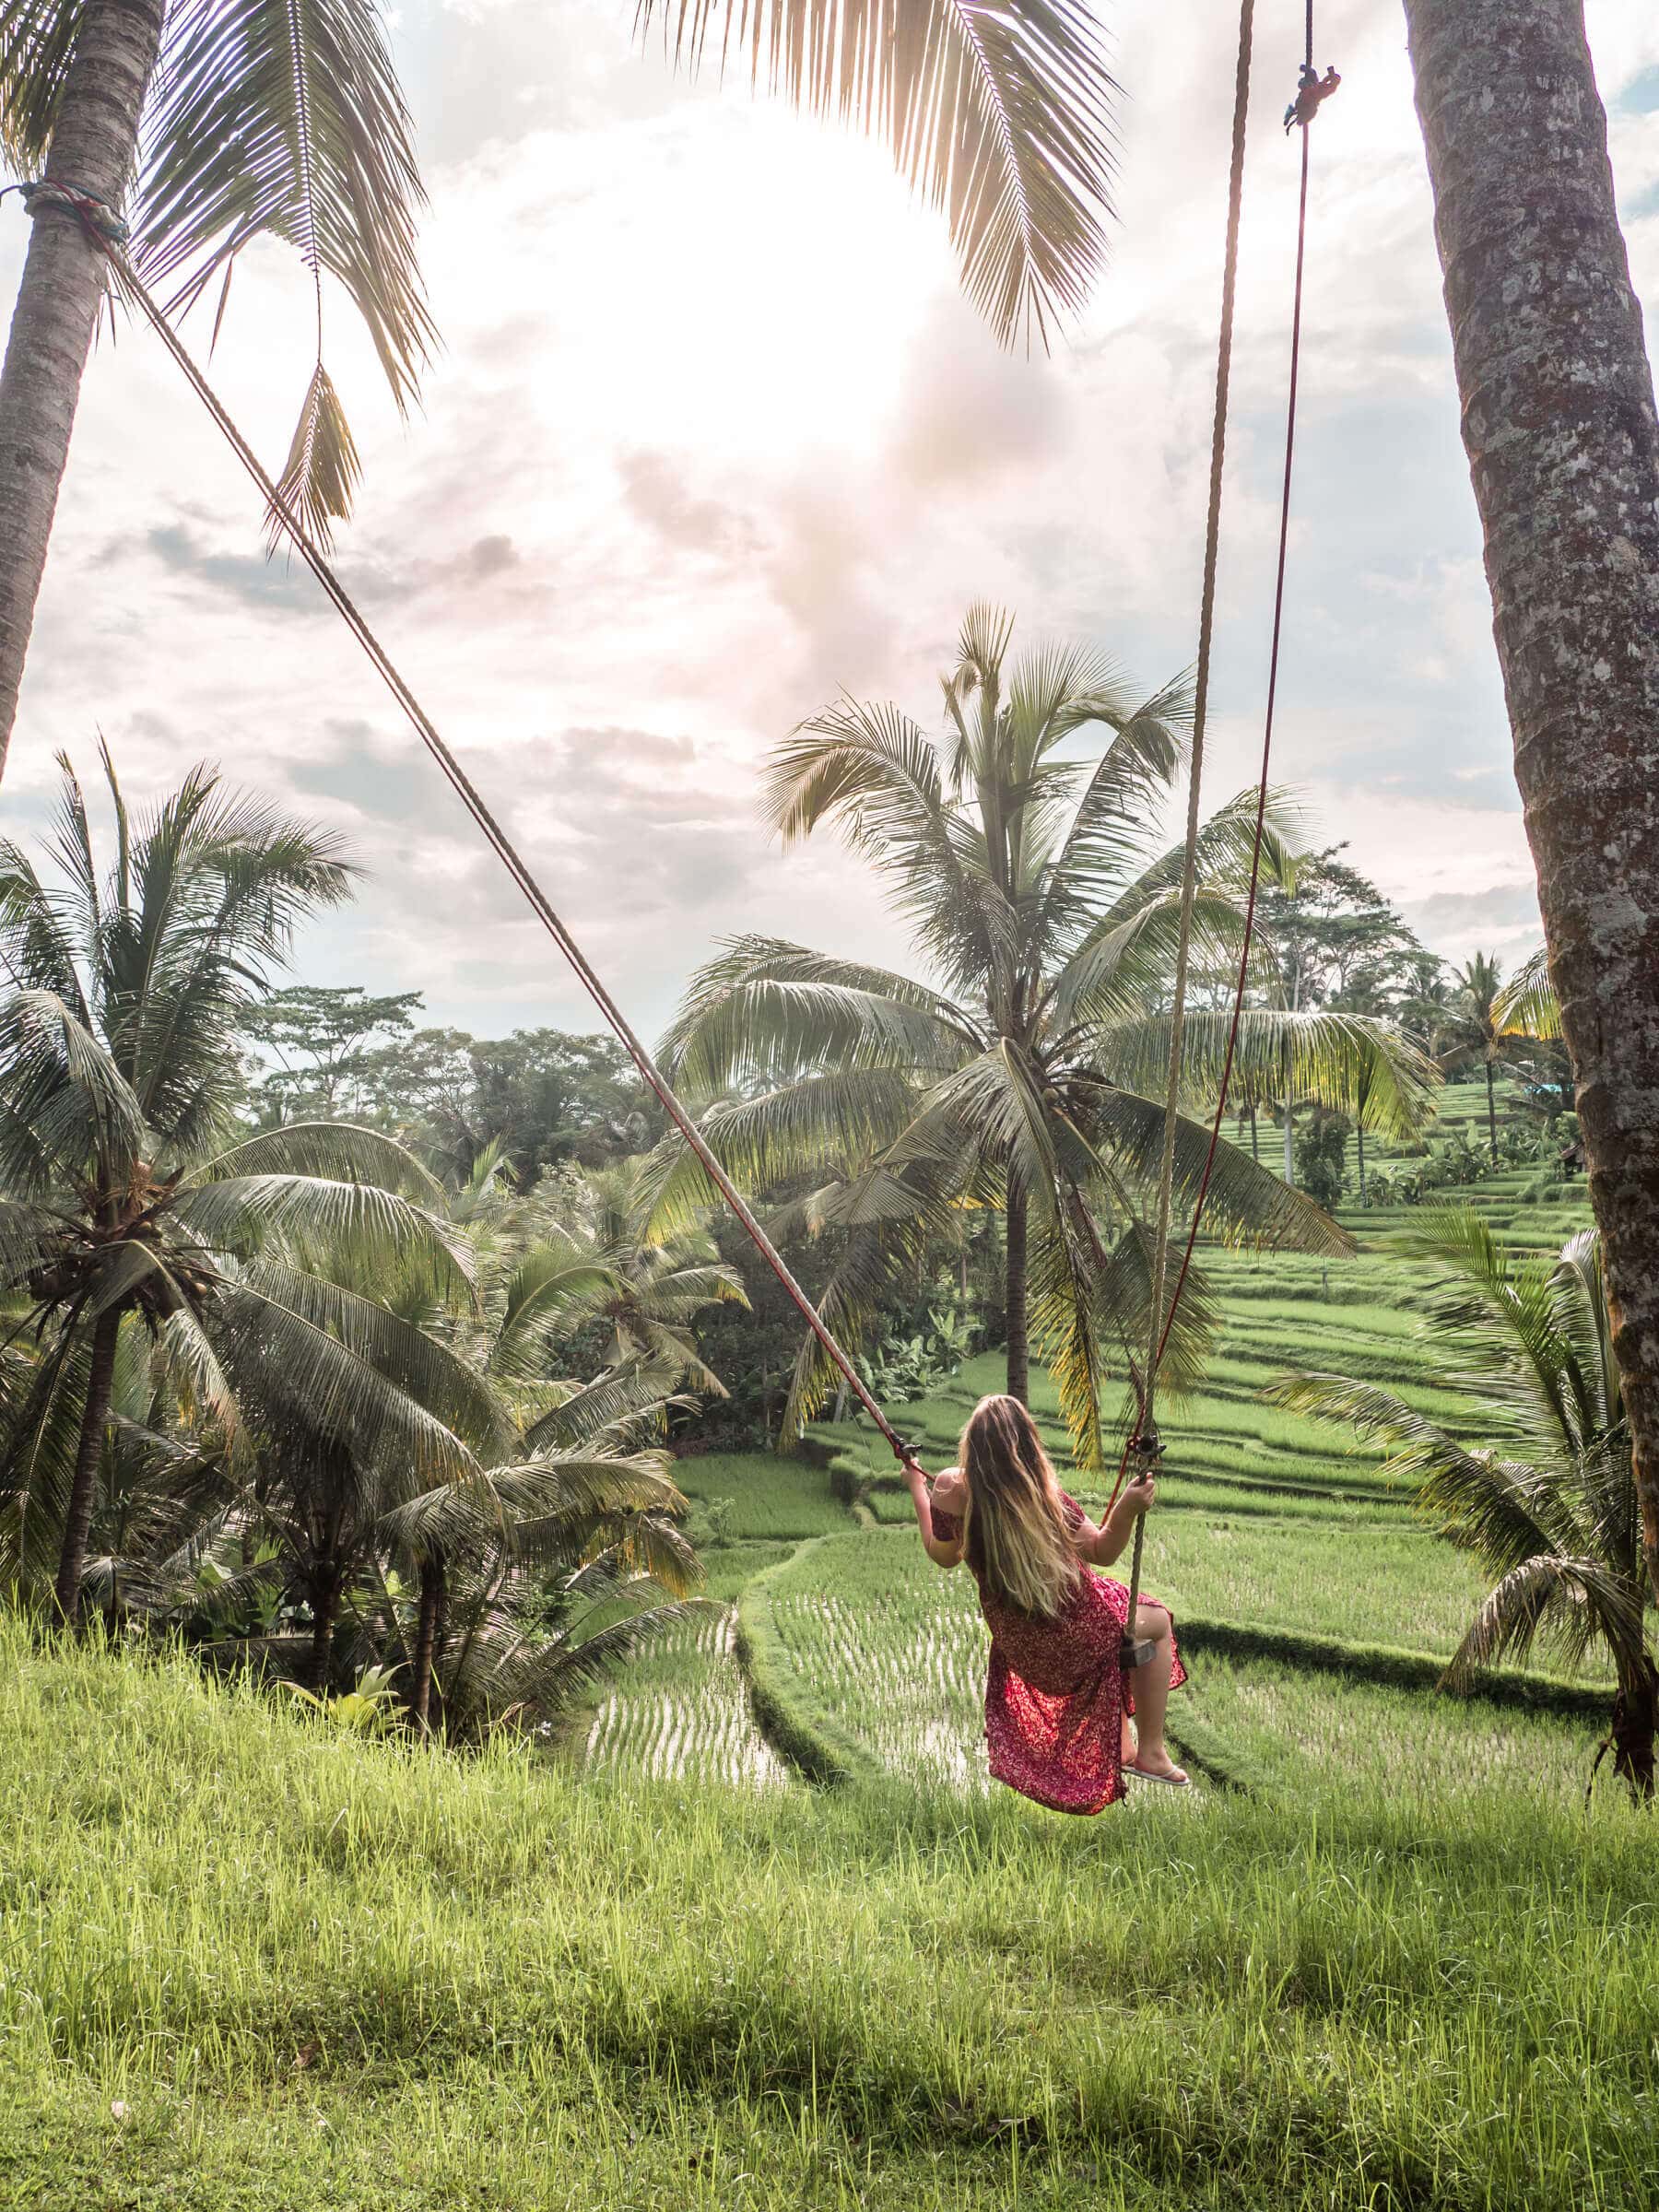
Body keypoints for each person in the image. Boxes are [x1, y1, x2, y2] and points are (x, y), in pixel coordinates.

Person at [907, 1393, 1188, 1812]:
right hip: (1078, 1639)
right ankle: (1151, 1750)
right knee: (1158, 1621)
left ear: (974, 1447)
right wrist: (1127, 1508)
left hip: (1025, 1652)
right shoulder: (1046, 1499)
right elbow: (1103, 1551)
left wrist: (917, 1486)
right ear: (1027, 1443)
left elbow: (941, 1554)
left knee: (1114, 1624)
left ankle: (1125, 1744)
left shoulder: (950, 1490)